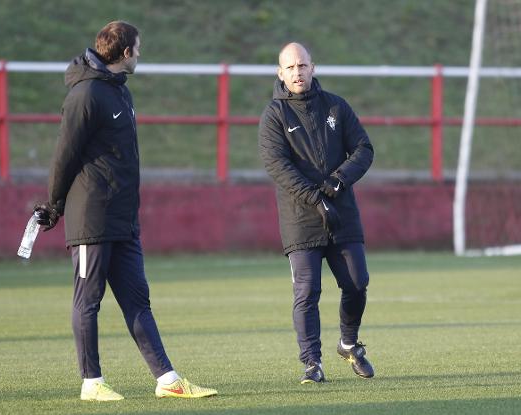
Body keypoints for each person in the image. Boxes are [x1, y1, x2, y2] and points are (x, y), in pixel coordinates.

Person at [34, 21, 217, 401]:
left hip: (123, 219)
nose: (141, 54)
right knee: (89, 300)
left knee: (138, 299)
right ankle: (92, 383)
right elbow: (63, 156)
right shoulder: (85, 95)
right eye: (139, 47)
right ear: (125, 52)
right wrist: (54, 205)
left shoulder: (120, 93)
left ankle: (167, 380)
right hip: (92, 220)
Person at [258, 42, 375, 384]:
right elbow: (277, 165)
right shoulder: (274, 115)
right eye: (290, 68)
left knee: (357, 284)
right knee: (307, 292)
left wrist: (339, 181)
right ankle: (311, 362)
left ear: (313, 67)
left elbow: (364, 149)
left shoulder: (336, 106)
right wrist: (315, 198)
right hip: (301, 218)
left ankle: (349, 343)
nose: (297, 72)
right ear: (280, 73)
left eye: (302, 66)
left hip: (342, 215)